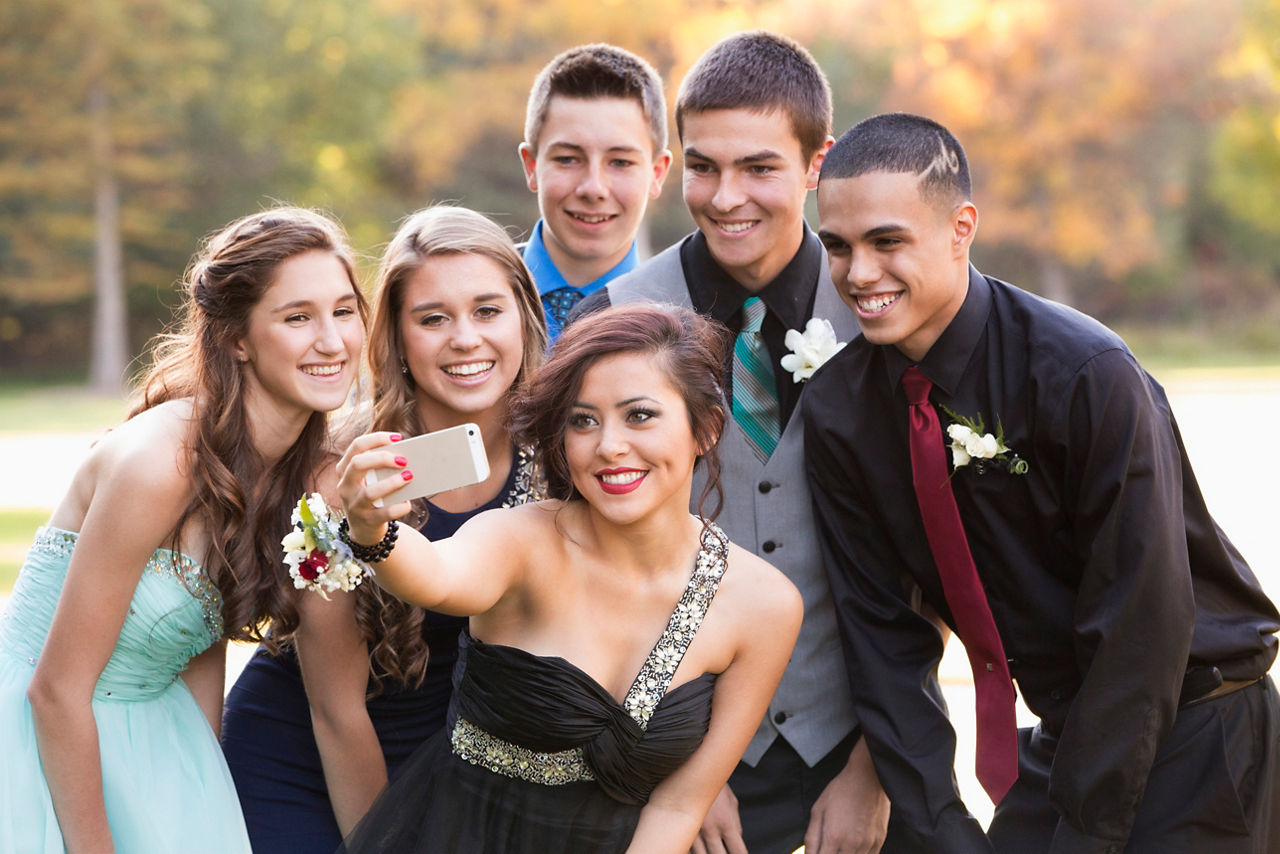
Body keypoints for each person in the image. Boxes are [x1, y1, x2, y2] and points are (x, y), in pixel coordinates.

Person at [806, 111, 1280, 853]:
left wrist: (1084, 836)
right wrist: (941, 830)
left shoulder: (1086, 374)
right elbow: (882, 640)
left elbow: (1143, 620)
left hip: (1197, 727)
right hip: (1068, 734)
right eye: (837, 246)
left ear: (961, 227)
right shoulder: (839, 412)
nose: (858, 273)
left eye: (887, 241)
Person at [570, 30, 892, 854]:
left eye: (759, 168)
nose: (725, 197)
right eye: (704, 167)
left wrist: (876, 768)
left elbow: (927, 564)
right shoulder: (615, 317)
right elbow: (594, 562)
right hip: (677, 745)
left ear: (816, 163)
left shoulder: (883, 313)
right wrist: (675, 770)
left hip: (856, 739)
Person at [332, 303, 802, 853]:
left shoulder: (765, 605)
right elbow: (435, 576)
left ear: (706, 429)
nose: (609, 446)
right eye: (583, 420)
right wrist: (369, 528)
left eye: (640, 415)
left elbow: (679, 804)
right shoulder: (521, 540)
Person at [0, 207, 367, 853]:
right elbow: (56, 690)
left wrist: (200, 807)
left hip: (156, 741)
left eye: (343, 310)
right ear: (236, 339)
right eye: (297, 317)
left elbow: (197, 648)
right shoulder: (161, 465)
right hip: (41, 732)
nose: (333, 341)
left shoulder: (305, 480)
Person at [220, 205, 549, 852]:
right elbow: (337, 714)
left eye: (488, 311)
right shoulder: (340, 471)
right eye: (433, 319)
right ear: (395, 339)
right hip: (308, 757)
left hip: (455, 774)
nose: (465, 338)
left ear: (525, 318)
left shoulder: (562, 462)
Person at [518, 43, 673, 339]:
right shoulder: (472, 299)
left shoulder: (683, 321)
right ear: (531, 167)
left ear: (657, 173)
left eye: (620, 162)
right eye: (567, 159)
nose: (593, 188)